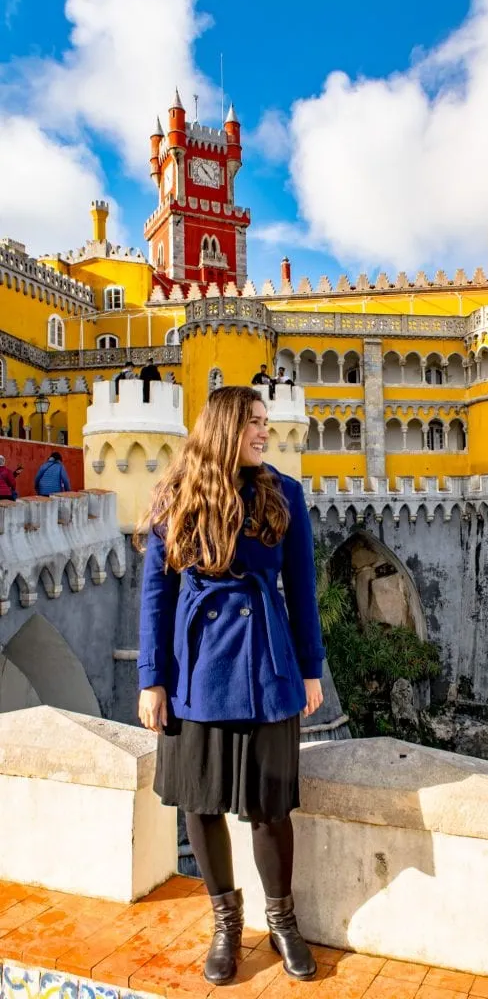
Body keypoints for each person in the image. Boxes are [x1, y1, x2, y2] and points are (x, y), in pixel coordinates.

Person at [135, 386, 325, 986]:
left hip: (266, 660)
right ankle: (226, 924)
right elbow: (156, 597)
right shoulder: (177, 496)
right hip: (198, 667)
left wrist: (311, 666)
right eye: (253, 424)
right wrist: (152, 680)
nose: (264, 434)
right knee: (201, 802)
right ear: (224, 429)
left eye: (266, 423)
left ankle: (282, 921)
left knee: (270, 807)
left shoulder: (285, 494)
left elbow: (302, 587)